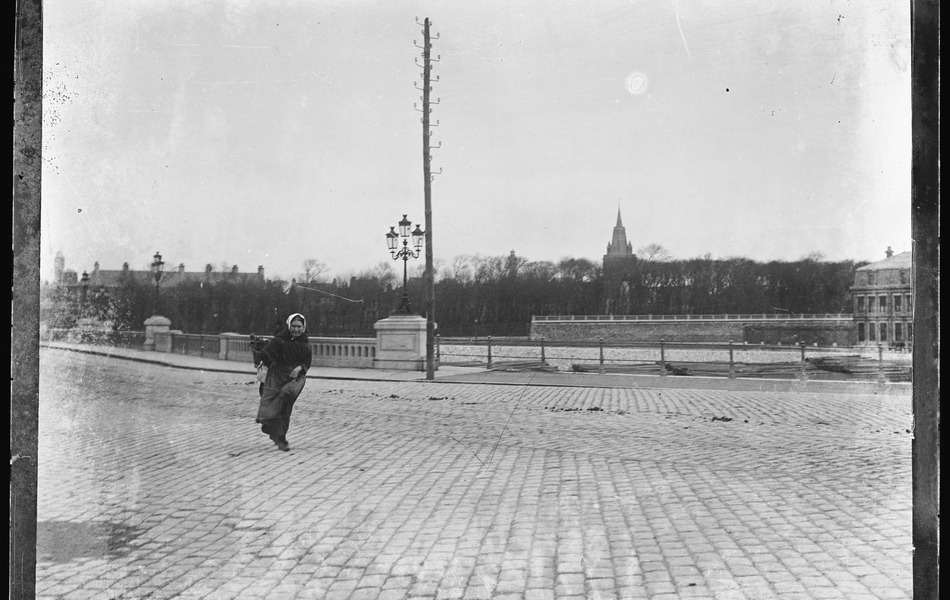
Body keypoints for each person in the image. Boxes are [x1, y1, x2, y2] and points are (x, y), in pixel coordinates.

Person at [253, 313, 312, 451]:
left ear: (304, 327)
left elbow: (307, 362)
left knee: (286, 400)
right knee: (277, 405)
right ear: (288, 325)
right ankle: (279, 437)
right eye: (294, 326)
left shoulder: (305, 343)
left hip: (295, 378)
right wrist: (270, 364)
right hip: (277, 376)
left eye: (299, 326)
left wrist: (299, 368)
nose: (296, 329)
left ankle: (279, 435)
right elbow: (265, 354)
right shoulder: (279, 340)